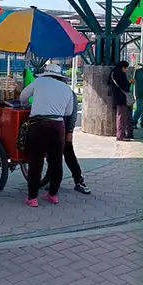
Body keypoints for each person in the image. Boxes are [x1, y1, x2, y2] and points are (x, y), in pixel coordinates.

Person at [19, 63, 75, 207]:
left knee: (36, 161)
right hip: (58, 127)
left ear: (45, 73)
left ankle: (32, 198)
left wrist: (27, 104)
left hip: (39, 125)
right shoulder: (66, 89)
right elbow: (68, 112)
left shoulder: (39, 82)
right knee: (56, 162)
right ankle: (53, 195)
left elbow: (23, 97)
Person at [39, 73, 91, 196]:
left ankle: (78, 180)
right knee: (55, 157)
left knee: (68, 155)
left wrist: (70, 131)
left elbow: (72, 114)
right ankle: (55, 182)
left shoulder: (69, 93)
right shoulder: (50, 92)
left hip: (62, 129)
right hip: (54, 128)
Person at [109, 60, 133, 141]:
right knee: (122, 117)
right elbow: (124, 86)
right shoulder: (118, 75)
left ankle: (124, 134)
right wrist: (129, 82)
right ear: (123, 68)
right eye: (126, 68)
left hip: (118, 98)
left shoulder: (113, 73)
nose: (126, 70)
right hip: (121, 99)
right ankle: (120, 136)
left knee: (123, 116)